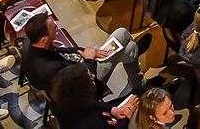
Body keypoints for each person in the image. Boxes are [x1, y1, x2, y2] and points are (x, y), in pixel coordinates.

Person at [22, 11, 150, 98]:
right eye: (54, 29)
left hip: (75, 68)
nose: (57, 28)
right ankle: (135, 57)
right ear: (44, 39)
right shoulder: (49, 69)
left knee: (126, 44)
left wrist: (83, 51)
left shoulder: (30, 42)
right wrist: (89, 59)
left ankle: (137, 75)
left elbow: (62, 52)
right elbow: (82, 80)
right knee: (123, 35)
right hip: (85, 87)